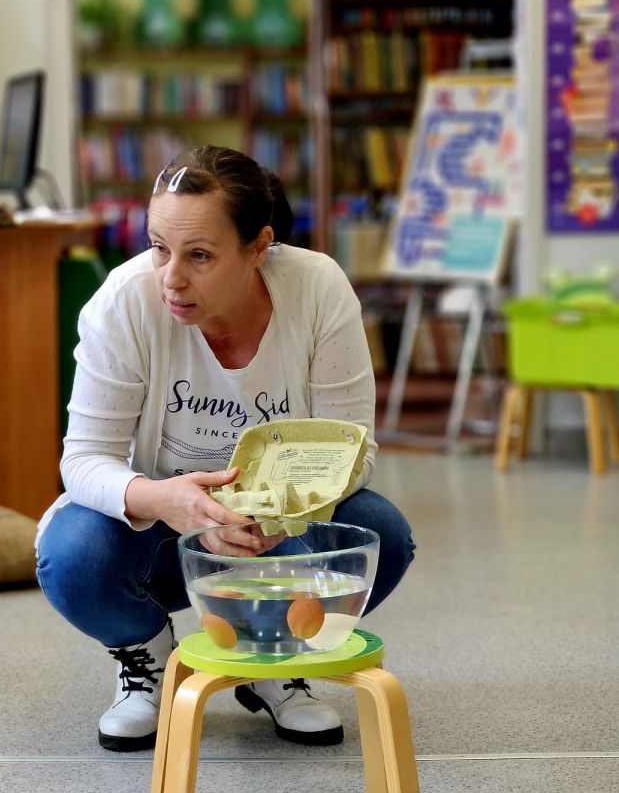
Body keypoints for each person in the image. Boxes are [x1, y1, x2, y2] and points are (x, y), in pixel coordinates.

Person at [36, 145, 415, 751]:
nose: (171, 278)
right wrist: (166, 499)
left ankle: (274, 659)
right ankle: (145, 654)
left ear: (259, 246)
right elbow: (82, 461)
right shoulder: (123, 301)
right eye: (159, 247)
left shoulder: (317, 288)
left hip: (275, 529)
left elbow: (354, 451)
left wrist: (270, 513)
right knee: (73, 556)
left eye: (200, 256)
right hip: (158, 527)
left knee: (379, 533)